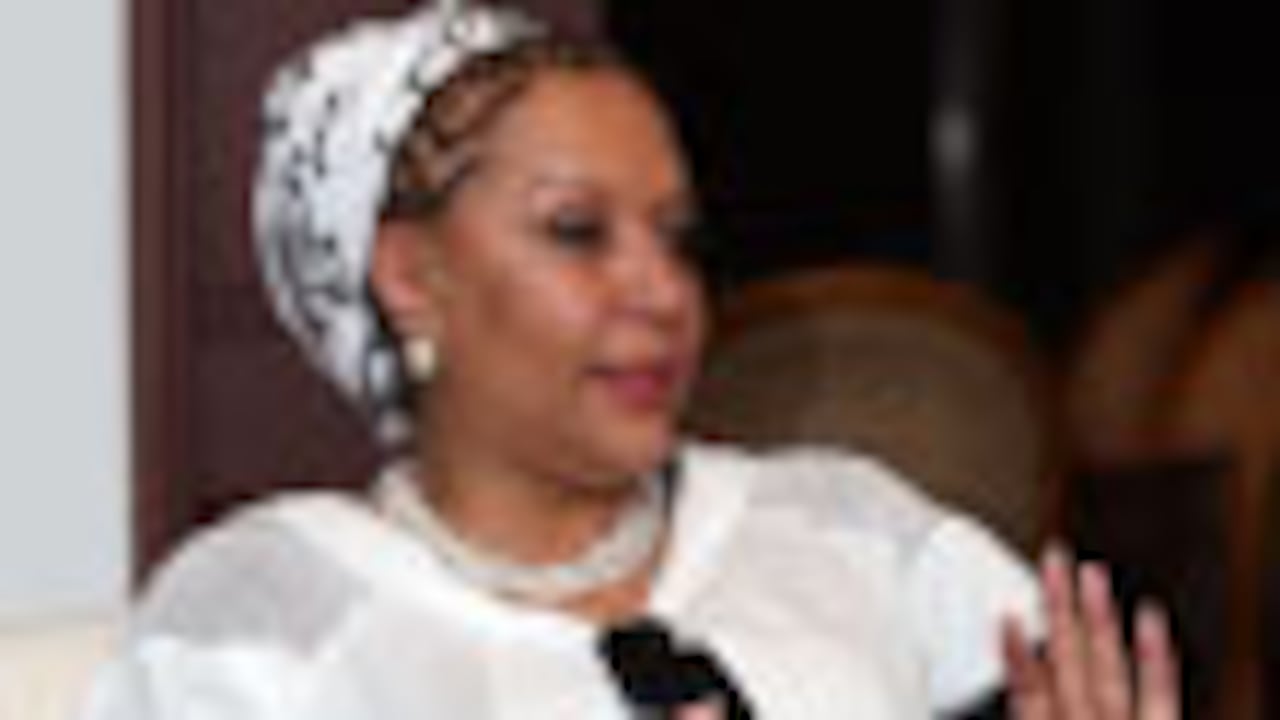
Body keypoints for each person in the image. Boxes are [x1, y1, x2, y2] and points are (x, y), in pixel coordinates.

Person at [81, 1, 1180, 718]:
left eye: (675, 236)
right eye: (578, 232)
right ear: (410, 275)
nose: (662, 292)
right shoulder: (268, 622)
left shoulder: (853, 538)